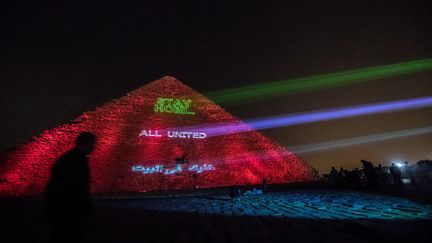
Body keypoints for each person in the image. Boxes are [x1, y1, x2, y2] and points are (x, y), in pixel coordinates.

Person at [44, 132, 96, 243]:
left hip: (58, 205)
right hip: (67, 206)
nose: (94, 147)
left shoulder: (68, 157)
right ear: (86, 143)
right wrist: (85, 207)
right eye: (92, 144)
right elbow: (78, 186)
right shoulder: (78, 160)